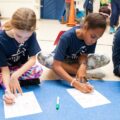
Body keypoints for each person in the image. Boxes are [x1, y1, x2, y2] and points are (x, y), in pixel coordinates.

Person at [37, 13, 110, 93]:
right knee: (42, 57)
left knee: (105, 58)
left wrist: (83, 66)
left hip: (75, 62)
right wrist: (75, 83)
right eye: (93, 37)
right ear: (85, 27)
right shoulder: (67, 37)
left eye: (97, 38)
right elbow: (57, 65)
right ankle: (83, 73)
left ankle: (79, 72)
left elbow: (84, 55)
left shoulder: (93, 39)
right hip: (62, 61)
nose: (94, 41)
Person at [0, 8, 43, 104]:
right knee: (3, 76)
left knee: (38, 70)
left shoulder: (32, 34)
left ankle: (13, 81)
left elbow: (32, 60)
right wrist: (8, 91)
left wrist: (15, 75)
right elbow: (4, 69)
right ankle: (9, 83)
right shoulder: (1, 40)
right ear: (12, 26)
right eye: (18, 36)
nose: (22, 41)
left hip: (18, 68)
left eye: (26, 37)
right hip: (5, 69)